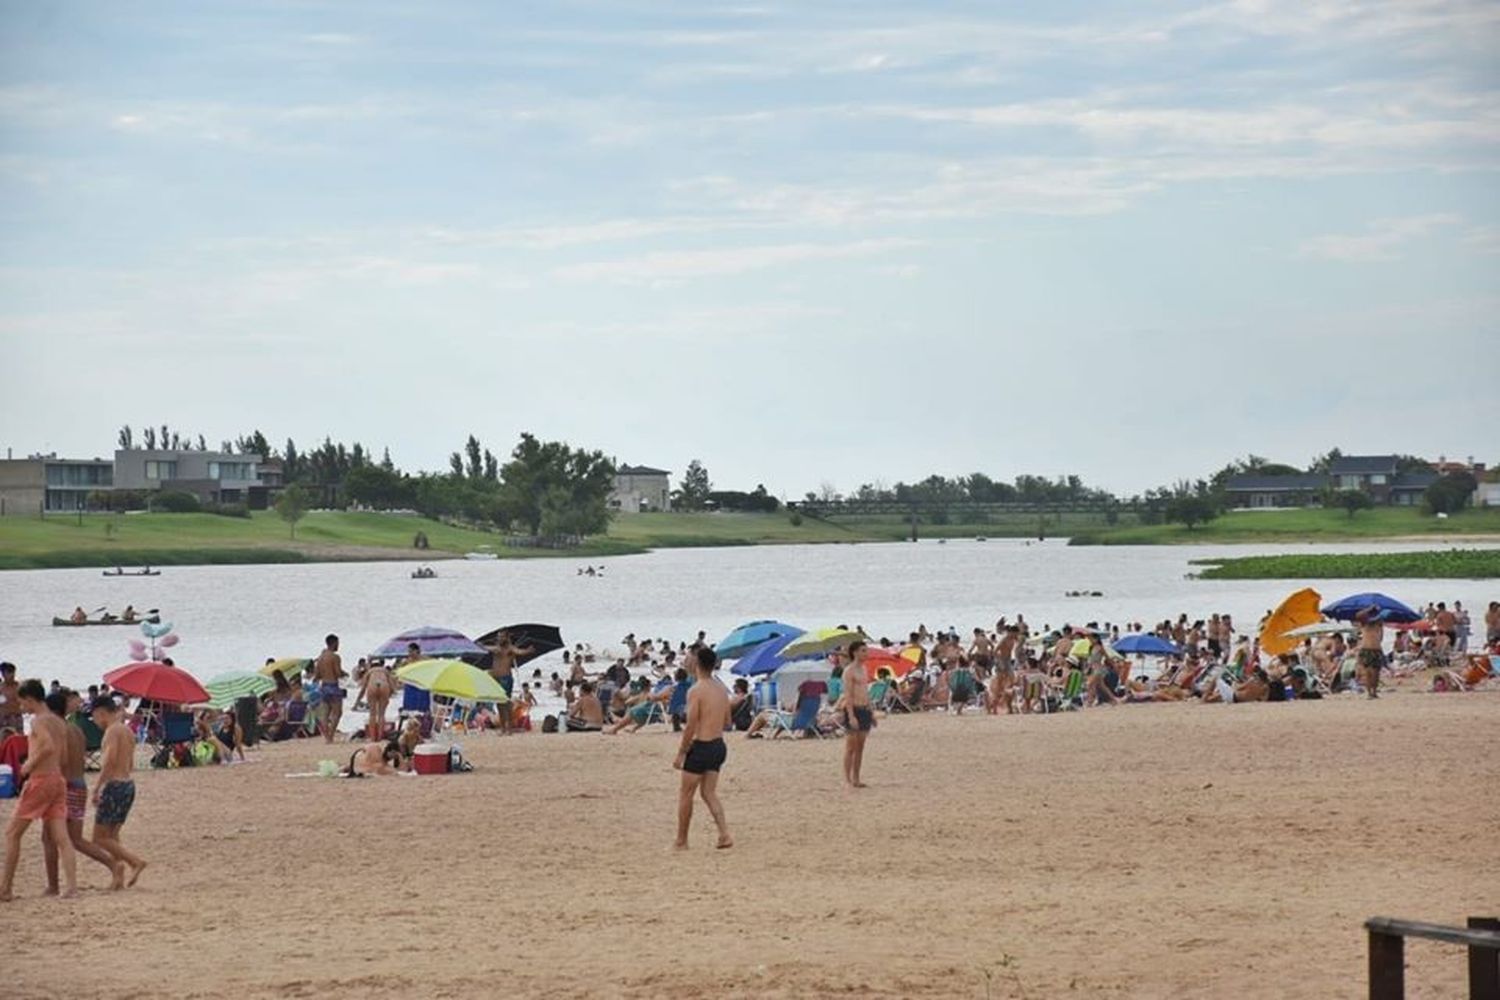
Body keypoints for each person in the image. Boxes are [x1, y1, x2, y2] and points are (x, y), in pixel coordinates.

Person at [2, 680, 77, 901]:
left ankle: (5, 889)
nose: (20, 706)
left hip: (41, 780)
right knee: (62, 838)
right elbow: (62, 756)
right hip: (57, 779)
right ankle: (71, 887)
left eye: (21, 701)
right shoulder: (59, 722)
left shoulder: (38, 722)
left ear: (30, 699)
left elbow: (47, 746)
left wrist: (28, 765)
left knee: (12, 833)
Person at [44, 690, 124, 892]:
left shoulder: (55, 730)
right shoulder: (77, 729)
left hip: (64, 785)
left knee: (48, 837)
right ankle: (113, 865)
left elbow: (59, 760)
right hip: (80, 784)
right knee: (76, 839)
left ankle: (53, 886)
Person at [672, 646, 732, 850]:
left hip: (702, 746)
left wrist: (681, 752)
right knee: (708, 792)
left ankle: (682, 841)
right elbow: (727, 721)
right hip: (718, 745)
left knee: (686, 794)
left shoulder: (696, 690)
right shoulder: (721, 689)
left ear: (697, 664)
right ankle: (724, 834)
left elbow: (690, 725)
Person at [89, 695, 146, 888]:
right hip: (128, 784)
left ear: (101, 713)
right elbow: (129, 763)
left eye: (94, 717)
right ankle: (118, 877)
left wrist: (97, 788)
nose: (95, 722)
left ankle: (135, 862)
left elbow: (109, 761)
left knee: (99, 838)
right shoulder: (127, 731)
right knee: (112, 836)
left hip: (115, 785)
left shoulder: (112, 731)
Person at [835, 641, 874, 788]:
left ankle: (856, 777)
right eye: (863, 651)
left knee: (861, 747)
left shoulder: (864, 669)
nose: (866, 653)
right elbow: (848, 695)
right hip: (853, 708)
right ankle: (847, 778)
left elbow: (865, 691)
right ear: (855, 652)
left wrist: (871, 710)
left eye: (866, 650)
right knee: (850, 746)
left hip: (864, 708)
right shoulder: (849, 671)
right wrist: (851, 716)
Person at [485, 631, 534, 735]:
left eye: (502, 636)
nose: (499, 638)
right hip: (496, 679)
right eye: (498, 637)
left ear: (507, 638)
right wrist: (481, 646)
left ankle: (509, 728)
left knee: (506, 704)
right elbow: (490, 648)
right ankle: (503, 728)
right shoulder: (496, 648)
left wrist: (528, 651)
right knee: (499, 704)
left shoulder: (509, 649)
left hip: (505, 679)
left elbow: (519, 651)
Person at [312, 634, 345, 743]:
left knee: (325, 714)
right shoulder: (335, 657)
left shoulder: (320, 658)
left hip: (324, 686)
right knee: (337, 712)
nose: (338, 646)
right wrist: (343, 673)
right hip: (333, 686)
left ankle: (327, 737)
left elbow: (317, 675)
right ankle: (330, 735)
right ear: (334, 643)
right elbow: (337, 673)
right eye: (337, 644)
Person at [359, 657, 394, 740]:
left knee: (372, 714)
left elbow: (363, 688)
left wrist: (357, 701)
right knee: (381, 714)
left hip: (372, 685)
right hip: (384, 685)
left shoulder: (369, 672)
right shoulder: (385, 671)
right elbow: (392, 687)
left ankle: (372, 737)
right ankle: (380, 737)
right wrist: (388, 696)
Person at [1355, 609, 1386, 699]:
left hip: (1376, 649)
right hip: (1366, 649)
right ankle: (1369, 692)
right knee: (1368, 672)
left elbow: (1381, 637)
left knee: (1376, 672)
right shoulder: (1365, 623)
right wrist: (1370, 608)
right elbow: (1358, 615)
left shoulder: (1379, 624)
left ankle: (1374, 691)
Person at [0, 662, 20, 733]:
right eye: (9, 672)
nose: (12, 675)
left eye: (13, 672)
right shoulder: (1, 688)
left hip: (16, 718)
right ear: (3, 674)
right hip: (3, 720)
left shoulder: (19, 687)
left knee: (18, 741)